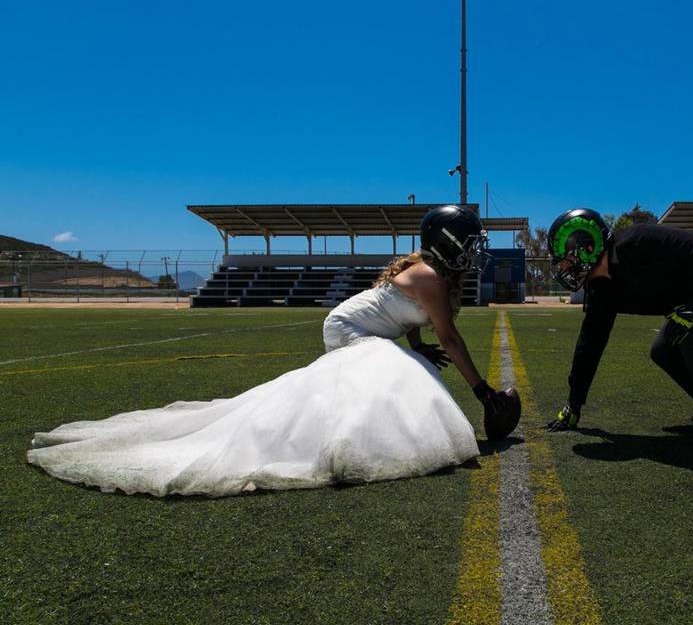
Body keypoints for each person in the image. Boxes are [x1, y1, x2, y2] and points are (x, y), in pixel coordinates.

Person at [28, 205, 517, 496]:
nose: (474, 252)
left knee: (404, 370)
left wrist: (416, 345)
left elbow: (413, 318)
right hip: (347, 328)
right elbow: (450, 336)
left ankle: (357, 435)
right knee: (396, 373)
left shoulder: (431, 276)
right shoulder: (431, 276)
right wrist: (482, 392)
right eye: (469, 243)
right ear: (447, 243)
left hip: (370, 328)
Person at [544, 208, 693, 451]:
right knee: (663, 350)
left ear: (588, 247)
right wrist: (574, 403)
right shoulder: (601, 289)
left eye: (565, 259)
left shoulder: (638, 241)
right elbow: (590, 343)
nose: (563, 266)